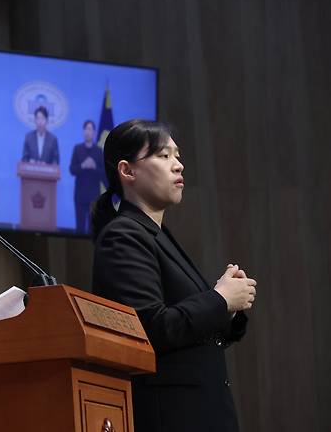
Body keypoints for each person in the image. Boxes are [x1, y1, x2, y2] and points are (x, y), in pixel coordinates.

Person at [91, 119, 257, 432]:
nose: (178, 165)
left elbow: (190, 328)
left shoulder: (156, 234)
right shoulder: (123, 235)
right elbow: (149, 329)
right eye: (164, 156)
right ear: (127, 171)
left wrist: (229, 309)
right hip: (170, 416)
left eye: (177, 156)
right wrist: (220, 299)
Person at [69, 120, 107, 234]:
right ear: (83, 131)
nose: (88, 132)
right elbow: (72, 170)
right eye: (86, 129)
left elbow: (103, 174)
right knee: (80, 228)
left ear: (94, 132)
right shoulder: (77, 149)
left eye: (90, 129)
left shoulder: (98, 151)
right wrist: (83, 165)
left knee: (93, 229)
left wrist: (94, 167)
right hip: (80, 195)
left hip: (94, 196)